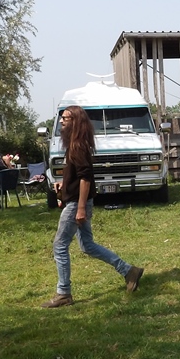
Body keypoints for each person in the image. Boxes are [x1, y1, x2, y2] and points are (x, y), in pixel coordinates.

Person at [41, 106, 144, 308]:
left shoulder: (78, 146)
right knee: (87, 245)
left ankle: (64, 293)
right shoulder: (76, 144)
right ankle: (128, 271)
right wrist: (64, 184)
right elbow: (78, 176)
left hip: (76, 205)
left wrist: (80, 209)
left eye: (65, 118)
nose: (61, 121)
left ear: (76, 122)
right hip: (77, 201)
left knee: (60, 246)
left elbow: (86, 179)